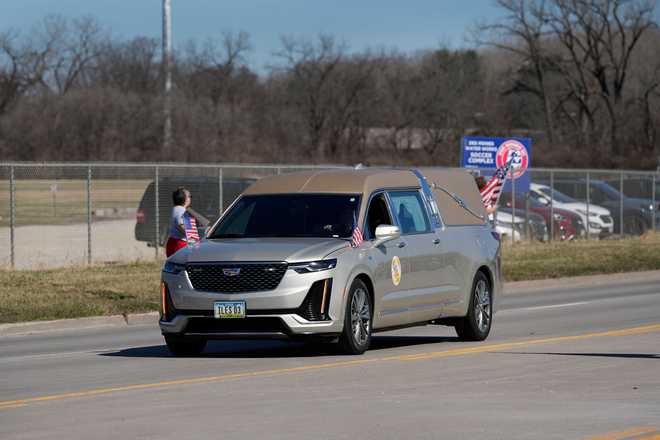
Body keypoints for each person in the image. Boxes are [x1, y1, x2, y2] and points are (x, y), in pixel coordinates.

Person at [166, 187, 192, 257]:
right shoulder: (180, 210)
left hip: (176, 243)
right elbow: (181, 225)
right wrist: (193, 236)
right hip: (179, 245)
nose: (190, 198)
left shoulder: (177, 209)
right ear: (185, 199)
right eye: (189, 196)